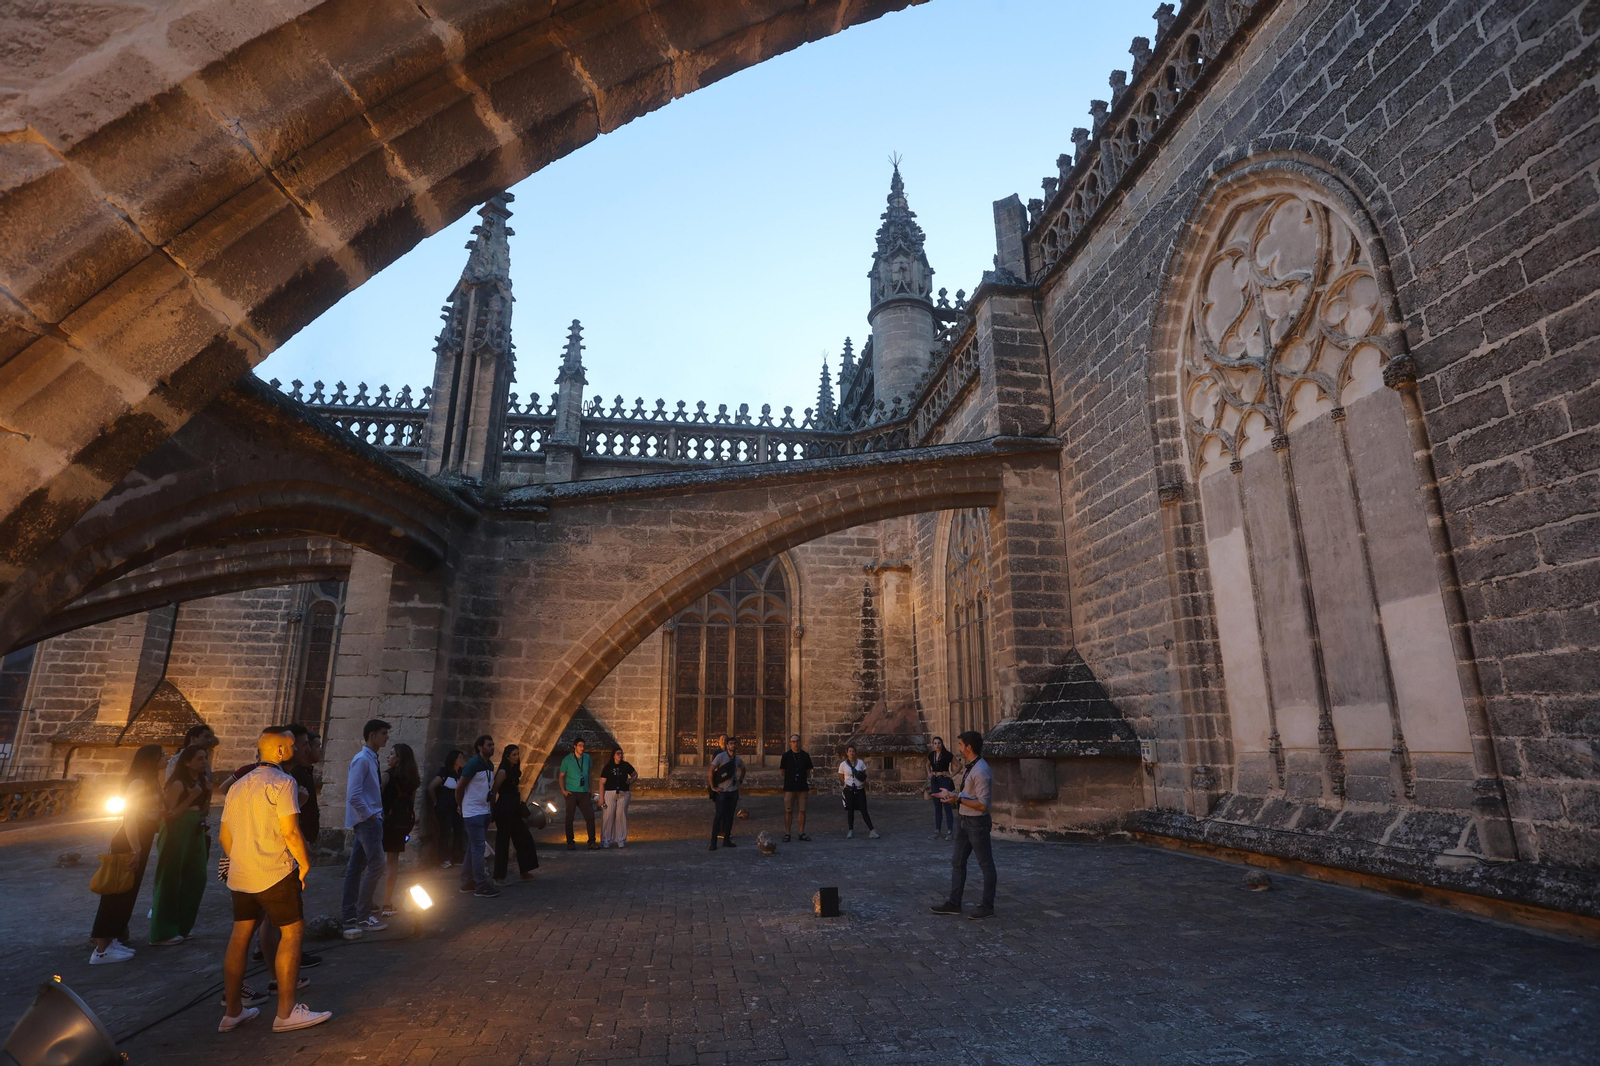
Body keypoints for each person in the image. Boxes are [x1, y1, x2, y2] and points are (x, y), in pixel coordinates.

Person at [219, 728, 331, 1033]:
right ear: (280, 751)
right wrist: (304, 865)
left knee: (240, 935)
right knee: (292, 933)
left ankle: (232, 1011)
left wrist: (242, 857)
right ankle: (286, 1012)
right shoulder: (283, 783)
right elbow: (291, 832)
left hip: (242, 875)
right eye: (292, 744)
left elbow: (225, 836)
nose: (297, 747)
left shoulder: (238, 786)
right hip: (275, 872)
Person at [88, 744, 165, 964]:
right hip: (130, 840)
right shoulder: (138, 782)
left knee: (128, 892)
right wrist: (136, 847)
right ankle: (101, 949)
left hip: (141, 839)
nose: (166, 759)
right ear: (151, 760)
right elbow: (129, 816)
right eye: (162, 756)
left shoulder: (151, 781)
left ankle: (112, 939)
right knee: (116, 892)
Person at [929, 730, 996, 920]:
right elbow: (967, 795)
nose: (958, 748)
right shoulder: (970, 767)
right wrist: (949, 794)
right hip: (964, 821)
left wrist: (957, 800)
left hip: (977, 823)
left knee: (986, 864)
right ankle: (954, 903)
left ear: (969, 747)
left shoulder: (981, 770)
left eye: (960, 745)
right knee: (957, 862)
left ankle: (987, 906)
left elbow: (983, 804)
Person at [150, 743, 211, 945]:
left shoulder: (202, 781)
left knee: (196, 877)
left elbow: (204, 809)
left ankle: (182, 927)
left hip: (195, 829)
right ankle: (162, 933)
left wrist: (206, 795)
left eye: (205, 758)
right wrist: (192, 797)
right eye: (199, 759)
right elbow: (168, 814)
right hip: (176, 830)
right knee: (170, 878)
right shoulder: (177, 784)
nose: (204, 762)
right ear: (187, 762)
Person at [341, 718, 390, 932]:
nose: (386, 737)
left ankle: (350, 914)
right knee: (377, 864)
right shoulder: (362, 759)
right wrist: (370, 816)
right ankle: (363, 915)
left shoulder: (371, 759)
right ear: (372, 735)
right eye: (383, 733)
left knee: (355, 867)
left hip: (370, 819)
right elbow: (354, 795)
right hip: (367, 821)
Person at [379, 743, 421, 916]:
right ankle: (387, 902)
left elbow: (377, 799)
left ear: (399, 758)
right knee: (392, 863)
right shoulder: (412, 779)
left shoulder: (386, 776)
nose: (389, 757)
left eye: (392, 754)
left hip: (384, 822)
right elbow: (411, 804)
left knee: (373, 862)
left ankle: (371, 901)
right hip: (400, 824)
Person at [456, 734, 499, 897]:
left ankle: (467, 882)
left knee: (472, 846)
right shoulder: (474, 764)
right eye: (489, 745)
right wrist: (461, 806)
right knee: (478, 848)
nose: (492, 748)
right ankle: (481, 884)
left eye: (493, 745)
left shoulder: (489, 766)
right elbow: (460, 788)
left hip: (484, 810)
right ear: (480, 747)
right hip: (473, 812)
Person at [491, 744, 539, 883]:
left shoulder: (514, 771)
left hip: (513, 808)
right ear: (507, 756)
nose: (517, 757)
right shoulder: (503, 772)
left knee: (524, 838)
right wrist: (492, 811)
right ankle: (499, 877)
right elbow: (494, 791)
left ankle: (525, 871)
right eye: (514, 755)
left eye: (518, 754)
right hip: (504, 808)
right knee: (503, 843)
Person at [428, 750, 465, 868]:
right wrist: (436, 802)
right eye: (460, 758)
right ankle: (443, 858)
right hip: (445, 807)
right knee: (445, 832)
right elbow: (431, 787)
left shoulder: (461, 773)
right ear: (454, 760)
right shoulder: (445, 773)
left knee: (459, 831)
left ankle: (457, 857)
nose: (462, 760)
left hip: (457, 808)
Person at [559, 739, 598, 852]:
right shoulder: (567, 759)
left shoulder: (587, 758)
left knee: (590, 816)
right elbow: (561, 776)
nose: (582, 748)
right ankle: (570, 842)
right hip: (571, 792)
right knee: (570, 817)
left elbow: (589, 773)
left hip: (584, 792)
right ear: (574, 746)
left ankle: (591, 841)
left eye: (583, 746)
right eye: (580, 745)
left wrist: (590, 788)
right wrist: (563, 790)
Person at [707, 734, 744, 850]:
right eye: (731, 743)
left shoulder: (738, 759)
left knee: (730, 816)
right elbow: (710, 771)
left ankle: (727, 840)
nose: (733, 745)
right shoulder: (720, 757)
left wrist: (740, 781)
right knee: (719, 816)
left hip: (733, 792)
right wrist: (713, 787)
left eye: (735, 743)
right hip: (722, 792)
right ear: (727, 745)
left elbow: (743, 769)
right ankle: (713, 843)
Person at [837, 745, 880, 839]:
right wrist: (846, 783)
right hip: (849, 790)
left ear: (855, 752)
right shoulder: (843, 764)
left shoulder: (860, 763)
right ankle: (850, 830)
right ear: (847, 753)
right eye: (850, 751)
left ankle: (872, 830)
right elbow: (841, 775)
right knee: (850, 810)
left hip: (859, 789)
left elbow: (863, 774)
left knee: (863, 810)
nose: (851, 753)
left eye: (853, 751)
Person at [599, 747, 637, 848]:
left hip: (623, 793)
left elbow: (635, 774)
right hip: (610, 793)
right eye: (618, 753)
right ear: (614, 755)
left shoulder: (625, 765)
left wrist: (629, 782)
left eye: (621, 753)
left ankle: (621, 839)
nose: (620, 755)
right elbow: (602, 783)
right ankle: (606, 839)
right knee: (608, 815)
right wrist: (601, 798)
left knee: (621, 816)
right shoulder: (608, 767)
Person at [779, 733, 813, 843]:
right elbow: (783, 772)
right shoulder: (786, 756)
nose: (795, 744)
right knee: (788, 810)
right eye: (793, 742)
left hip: (802, 786)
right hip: (789, 787)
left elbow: (808, 771)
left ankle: (801, 832)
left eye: (797, 741)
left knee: (802, 810)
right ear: (790, 743)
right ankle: (787, 833)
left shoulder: (805, 755)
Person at [927, 736, 956, 841]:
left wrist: (951, 775)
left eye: (939, 743)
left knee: (947, 806)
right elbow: (927, 764)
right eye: (935, 743)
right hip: (934, 780)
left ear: (942, 744)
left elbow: (959, 766)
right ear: (933, 745)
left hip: (944, 780)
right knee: (937, 807)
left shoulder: (947, 755)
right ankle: (937, 831)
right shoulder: (931, 755)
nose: (937, 745)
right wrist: (929, 773)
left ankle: (950, 831)